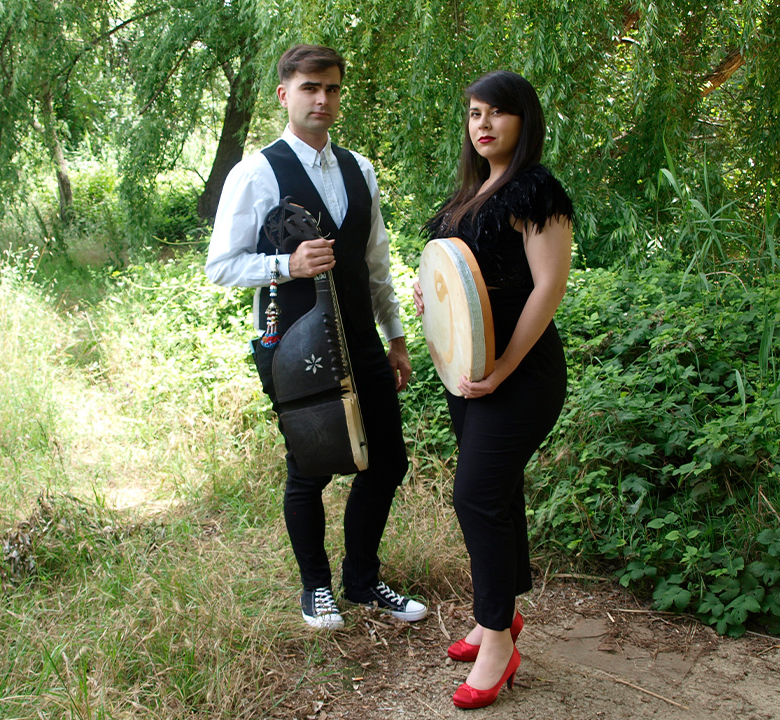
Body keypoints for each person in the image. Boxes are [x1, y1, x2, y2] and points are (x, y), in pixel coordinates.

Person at [206, 44, 426, 630]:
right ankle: (316, 589)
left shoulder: (360, 169)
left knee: (388, 462)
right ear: (285, 94)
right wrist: (286, 265)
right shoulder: (256, 172)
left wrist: (396, 337)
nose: (322, 99)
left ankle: (362, 581)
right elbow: (220, 267)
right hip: (293, 345)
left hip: (361, 338)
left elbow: (375, 265)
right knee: (310, 468)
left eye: (331, 88)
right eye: (309, 88)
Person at [415, 70, 574, 709]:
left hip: (520, 373)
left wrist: (504, 367)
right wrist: (432, 297)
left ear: (523, 121)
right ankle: (497, 616)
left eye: (497, 113)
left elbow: (548, 287)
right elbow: (459, 278)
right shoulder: (467, 195)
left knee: (476, 497)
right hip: (470, 370)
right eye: (475, 113)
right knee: (499, 495)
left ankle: (499, 645)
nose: (483, 124)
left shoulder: (536, 190)